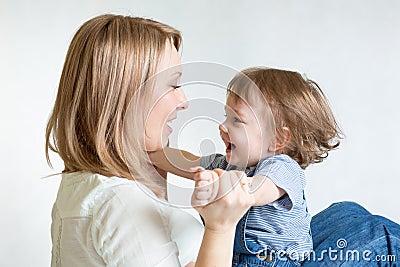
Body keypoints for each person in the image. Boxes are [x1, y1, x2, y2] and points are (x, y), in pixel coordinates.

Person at [45, 14, 254, 267]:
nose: (184, 101)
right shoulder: (121, 202)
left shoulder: (87, 185)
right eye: (173, 85)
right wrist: (221, 227)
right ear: (123, 96)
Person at [151, 67, 343, 266]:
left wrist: (223, 186)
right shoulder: (225, 165)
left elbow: (257, 189)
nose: (222, 126)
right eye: (226, 116)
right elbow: (184, 160)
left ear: (278, 139)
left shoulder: (282, 168)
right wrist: (148, 152)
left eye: (236, 120)